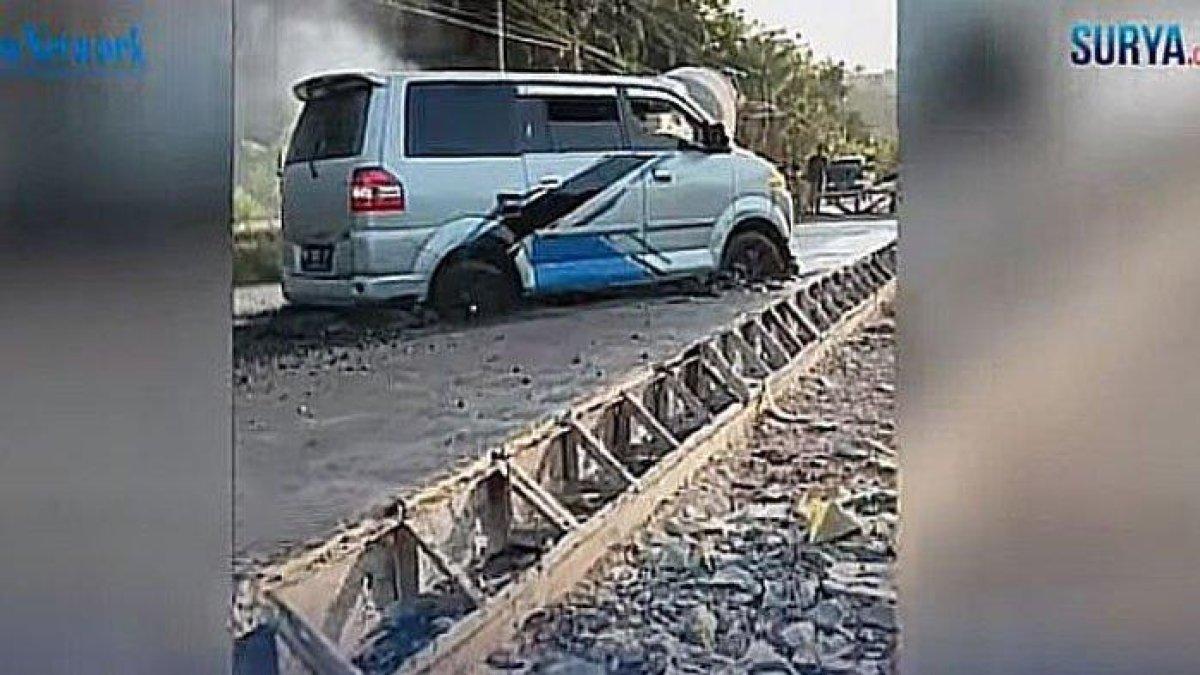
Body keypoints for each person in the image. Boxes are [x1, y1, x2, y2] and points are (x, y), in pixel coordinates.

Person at [805, 145, 829, 217]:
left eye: (821, 150)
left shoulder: (824, 159)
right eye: (819, 150)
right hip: (813, 179)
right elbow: (809, 168)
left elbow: (825, 169)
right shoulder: (813, 159)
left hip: (820, 178)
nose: (820, 152)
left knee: (818, 194)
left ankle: (817, 209)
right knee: (812, 194)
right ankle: (811, 209)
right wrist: (808, 176)